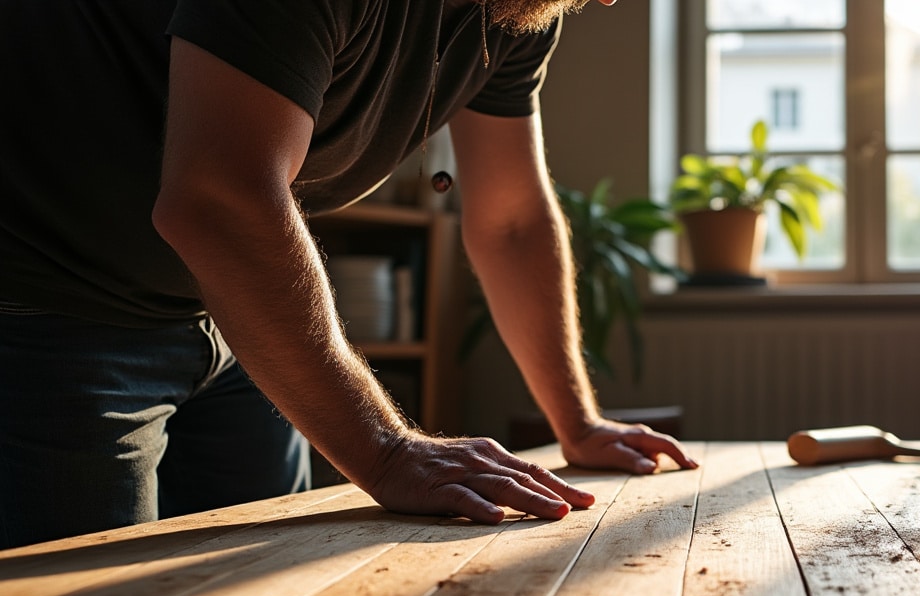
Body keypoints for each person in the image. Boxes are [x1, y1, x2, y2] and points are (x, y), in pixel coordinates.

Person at [0, 0, 696, 549]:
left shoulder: (515, 14)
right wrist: (387, 450)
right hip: (47, 296)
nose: (608, 1)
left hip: (226, 319)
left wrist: (576, 421)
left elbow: (511, 218)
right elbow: (217, 198)